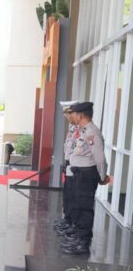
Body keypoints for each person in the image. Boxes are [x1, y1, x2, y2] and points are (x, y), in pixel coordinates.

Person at [60, 102, 110, 255]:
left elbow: (100, 159)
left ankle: (83, 243)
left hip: (87, 175)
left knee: (84, 209)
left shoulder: (92, 133)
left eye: (73, 113)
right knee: (78, 207)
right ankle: (77, 237)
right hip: (79, 174)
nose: (71, 116)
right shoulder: (83, 131)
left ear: (80, 115)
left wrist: (102, 177)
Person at [54, 102, 78, 235]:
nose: (66, 116)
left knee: (73, 196)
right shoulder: (73, 128)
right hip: (70, 164)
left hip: (76, 167)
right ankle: (67, 219)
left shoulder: (81, 130)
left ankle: (71, 222)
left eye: (68, 113)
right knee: (67, 194)